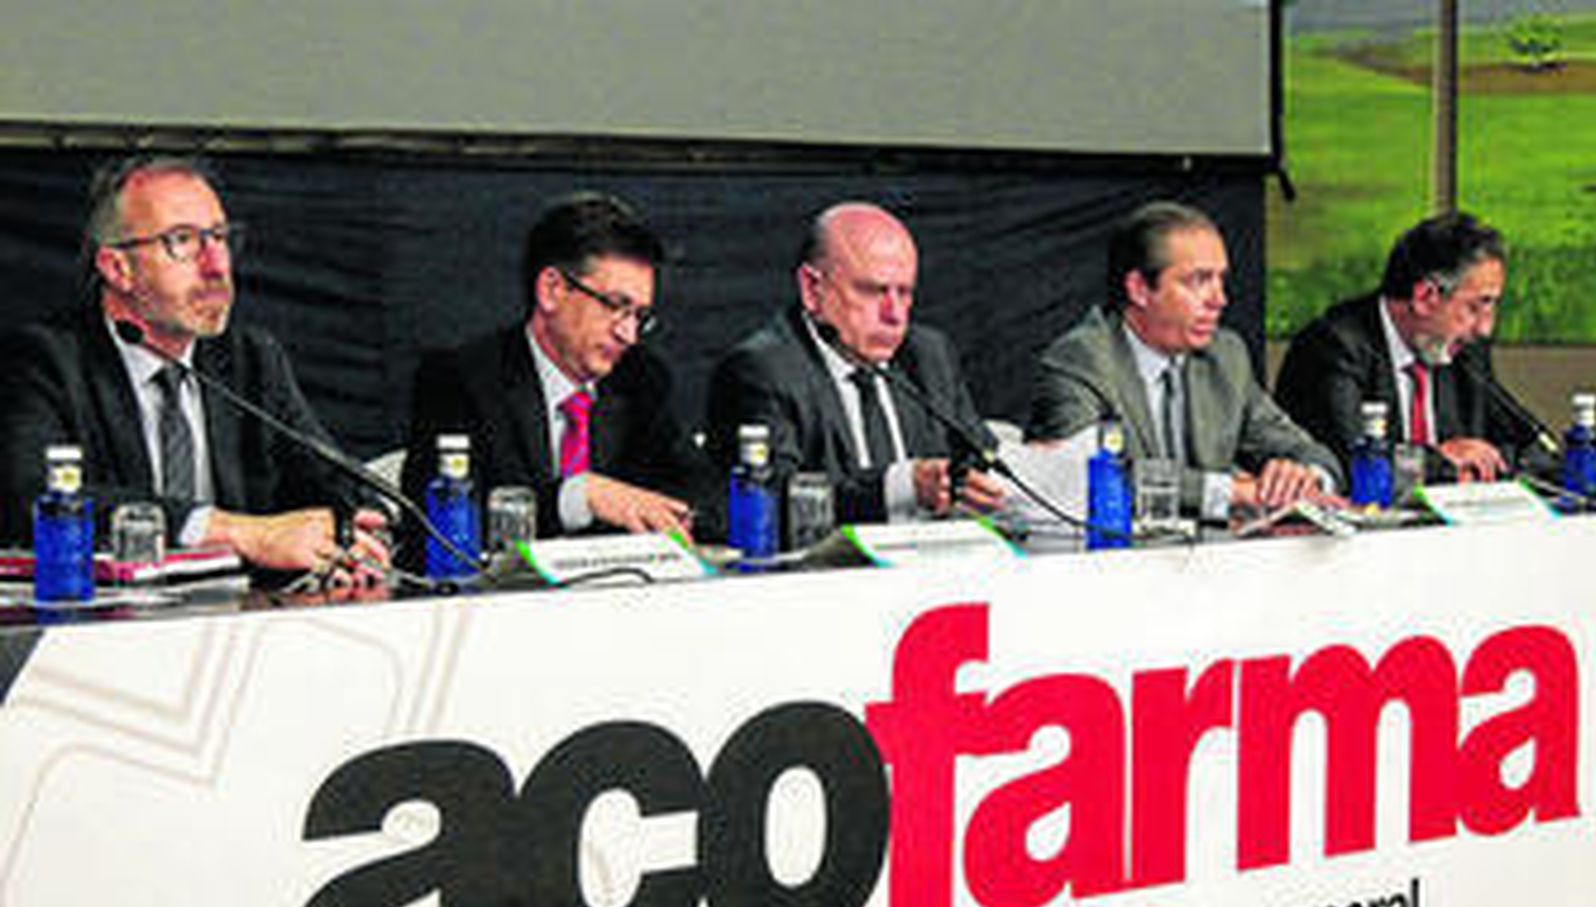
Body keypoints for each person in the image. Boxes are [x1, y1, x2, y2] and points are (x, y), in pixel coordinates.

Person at [0, 154, 386, 580]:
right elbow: (33, 498)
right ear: (117, 268)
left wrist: (358, 527)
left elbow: (335, 480)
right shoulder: (45, 360)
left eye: (220, 238)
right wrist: (237, 532)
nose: (217, 266)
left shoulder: (249, 361)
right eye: (183, 241)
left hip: (233, 625)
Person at [400, 192, 717, 559]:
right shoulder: (461, 380)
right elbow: (434, 528)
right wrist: (577, 498)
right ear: (552, 290)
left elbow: (708, 497)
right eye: (616, 307)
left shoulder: (641, 379)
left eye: (640, 316)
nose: (628, 334)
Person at [1027, 201, 1339, 520]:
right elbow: (1085, 479)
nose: (1220, 299)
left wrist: (1305, 478)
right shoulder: (1081, 361)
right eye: (1199, 281)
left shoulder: (1225, 355)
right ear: (1139, 289)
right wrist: (1233, 492)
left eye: (1221, 279)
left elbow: (1307, 451)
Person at [706, 202, 1004, 525]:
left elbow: (978, 455)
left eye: (904, 293)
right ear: (812, 289)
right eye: (872, 291)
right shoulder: (763, 369)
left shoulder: (927, 354)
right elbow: (774, 499)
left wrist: (977, 485)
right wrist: (901, 487)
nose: (895, 315)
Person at [1275, 211, 1557, 484]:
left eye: (1492, 306)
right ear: (1424, 297)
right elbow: (1353, 462)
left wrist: (1493, 460)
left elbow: (1530, 446)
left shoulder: (1462, 351)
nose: (1485, 328)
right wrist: (1439, 463)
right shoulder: (1333, 346)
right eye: (1476, 307)